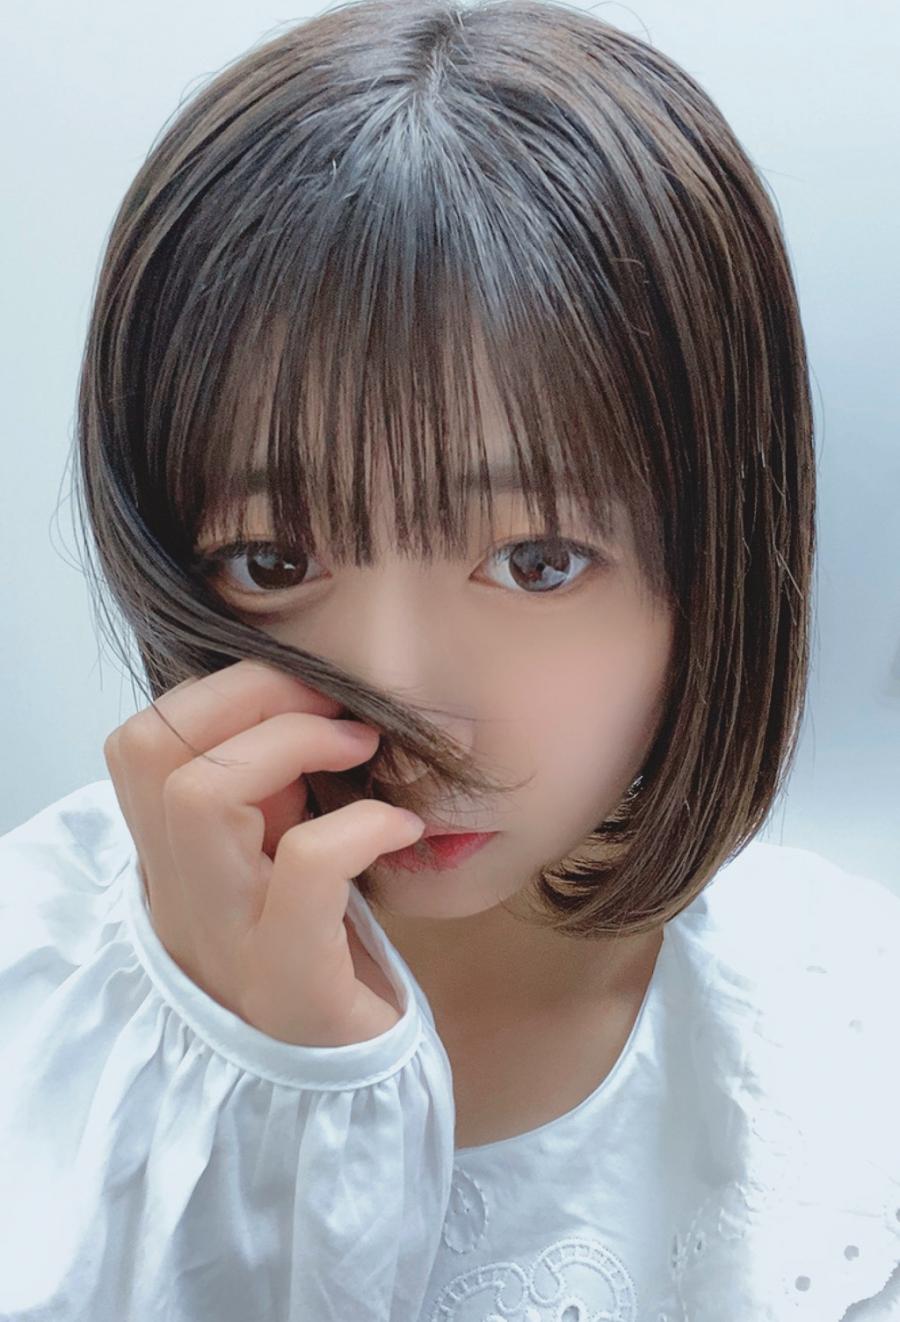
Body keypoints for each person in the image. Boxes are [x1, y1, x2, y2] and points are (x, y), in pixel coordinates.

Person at [1, 0, 898, 1317]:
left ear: (718, 560)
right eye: (272, 561)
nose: (410, 701)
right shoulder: (31, 987)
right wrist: (266, 1082)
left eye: (538, 561)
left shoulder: (850, 1078)